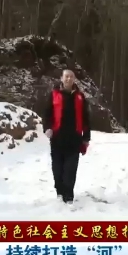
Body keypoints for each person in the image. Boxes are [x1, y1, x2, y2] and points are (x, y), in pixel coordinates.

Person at [43, 69, 91, 204]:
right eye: (66, 76)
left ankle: (69, 195)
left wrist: (86, 137)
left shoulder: (80, 97)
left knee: (71, 168)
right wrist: (47, 128)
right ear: (61, 78)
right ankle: (59, 191)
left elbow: (86, 118)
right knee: (57, 168)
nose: (69, 79)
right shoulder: (53, 94)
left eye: (71, 77)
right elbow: (47, 114)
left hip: (74, 138)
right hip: (57, 137)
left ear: (74, 79)